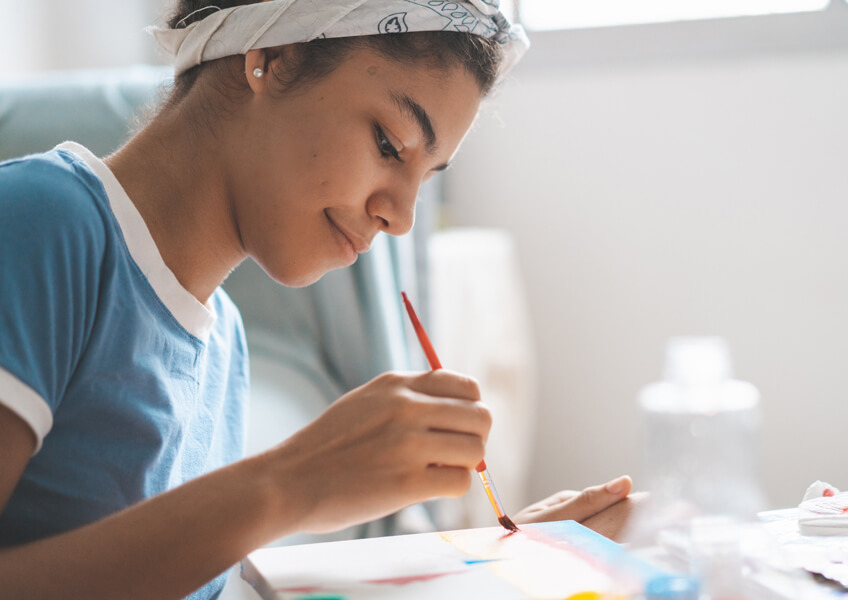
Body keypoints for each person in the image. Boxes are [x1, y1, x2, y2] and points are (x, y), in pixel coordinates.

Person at [0, 1, 635, 598]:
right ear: (271, 56)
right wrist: (287, 485)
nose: (401, 217)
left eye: (425, 177)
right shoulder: (38, 223)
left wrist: (484, 570)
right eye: (390, 145)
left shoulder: (223, 342)